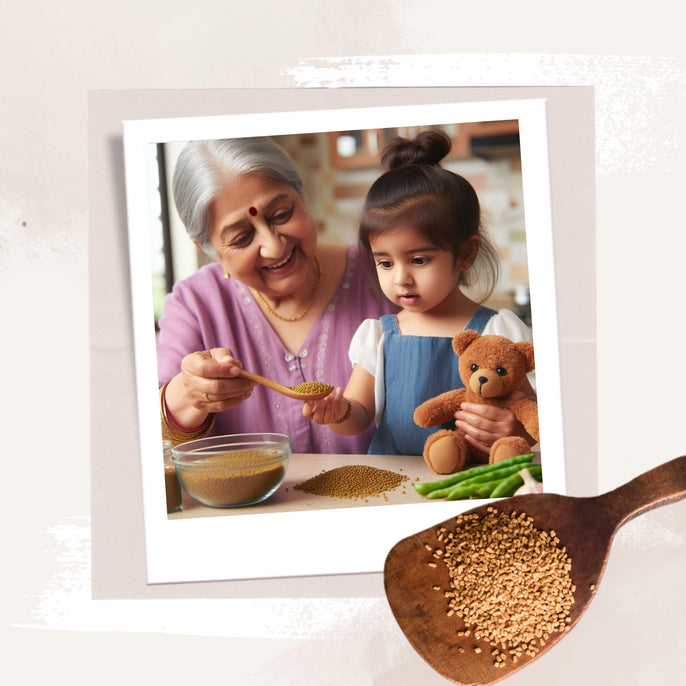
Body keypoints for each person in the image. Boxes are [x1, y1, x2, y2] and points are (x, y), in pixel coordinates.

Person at [303, 129, 536, 460]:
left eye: (419, 260)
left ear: (466, 254)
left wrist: (512, 428)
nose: (401, 279)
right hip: (392, 485)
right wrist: (338, 413)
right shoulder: (378, 335)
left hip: (472, 486)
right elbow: (359, 417)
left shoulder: (496, 332)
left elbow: (534, 417)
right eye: (385, 262)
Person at [156, 136, 398, 453]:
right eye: (241, 237)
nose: (273, 246)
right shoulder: (194, 304)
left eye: (282, 213)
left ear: (302, 194)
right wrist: (188, 392)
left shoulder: (386, 276)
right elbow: (147, 438)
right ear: (207, 248)